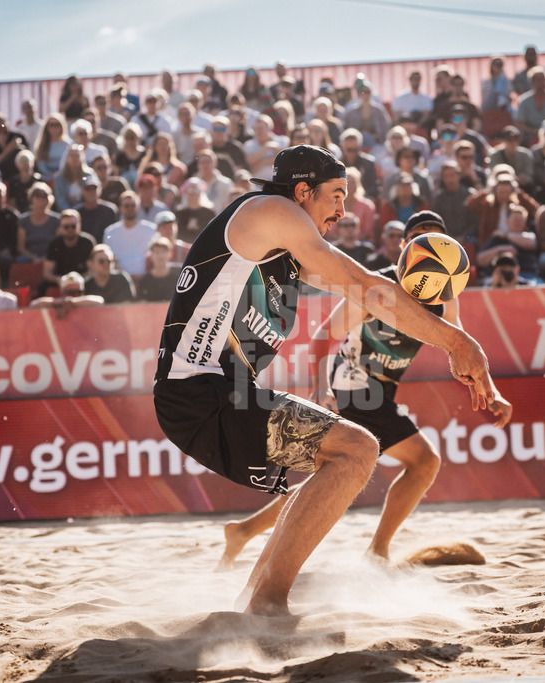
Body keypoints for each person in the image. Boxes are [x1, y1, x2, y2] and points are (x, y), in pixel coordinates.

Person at [154, 147, 506, 615]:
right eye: (337, 195)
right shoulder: (271, 211)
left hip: (222, 394)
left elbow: (378, 298)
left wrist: (456, 342)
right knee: (357, 450)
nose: (343, 209)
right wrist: (458, 343)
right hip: (200, 389)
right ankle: (269, 602)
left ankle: (255, 598)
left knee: (341, 461)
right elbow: (366, 286)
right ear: (302, 191)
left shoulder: (291, 253)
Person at [213, 207, 512, 572]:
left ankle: (244, 530)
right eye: (421, 240)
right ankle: (377, 553)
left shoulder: (445, 294)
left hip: (382, 393)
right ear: (404, 246)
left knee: (334, 480)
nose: (431, 254)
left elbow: (461, 345)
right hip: (354, 388)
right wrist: (321, 387)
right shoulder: (377, 290)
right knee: (423, 462)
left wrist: (490, 391)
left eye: (438, 240)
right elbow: (323, 335)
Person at [474, 203, 539, 282]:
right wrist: (499, 249)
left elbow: (531, 243)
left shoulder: (528, 236)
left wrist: (506, 235)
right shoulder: (497, 239)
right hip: (497, 278)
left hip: (527, 276)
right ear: (507, 221)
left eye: (520, 220)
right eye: (515, 220)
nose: (518, 223)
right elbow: (480, 260)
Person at [41, 209, 95, 295]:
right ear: (60, 228)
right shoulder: (54, 244)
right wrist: (58, 279)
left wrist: (79, 280)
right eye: (66, 227)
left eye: (73, 226)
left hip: (84, 280)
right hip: (61, 280)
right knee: (42, 286)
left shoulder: (88, 243)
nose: (70, 229)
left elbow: (93, 269)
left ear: (79, 226)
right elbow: (47, 273)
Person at [104, 190, 157, 277]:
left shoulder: (151, 229)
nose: (130, 208)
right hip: (119, 279)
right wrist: (125, 277)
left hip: (146, 278)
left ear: (138, 207)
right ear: (120, 208)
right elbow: (109, 258)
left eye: (133, 205)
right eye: (126, 206)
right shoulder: (110, 232)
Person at [431, 161, 478, 242]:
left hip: (467, 237)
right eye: (446, 176)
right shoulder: (438, 199)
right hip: (445, 239)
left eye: (452, 175)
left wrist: (463, 236)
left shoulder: (470, 195)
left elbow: (475, 222)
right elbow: (436, 223)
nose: (449, 179)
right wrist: (449, 237)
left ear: (458, 175)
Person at [30, 271, 104, 319]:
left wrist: (71, 301)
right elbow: (33, 305)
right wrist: (57, 302)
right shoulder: (58, 305)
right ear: (62, 292)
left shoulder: (88, 304)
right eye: (70, 292)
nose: (75, 295)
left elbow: (100, 301)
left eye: (78, 292)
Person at [343, 75, 392, 143]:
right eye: (363, 92)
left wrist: (374, 136)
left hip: (377, 144)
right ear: (359, 93)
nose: (366, 94)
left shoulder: (379, 110)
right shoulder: (351, 112)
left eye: (368, 92)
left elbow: (386, 128)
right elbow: (347, 129)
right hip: (356, 145)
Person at [18, 182, 61, 260]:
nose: (41, 199)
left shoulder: (56, 220)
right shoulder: (24, 220)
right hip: (29, 258)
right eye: (37, 195)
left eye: (44, 196)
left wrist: (46, 258)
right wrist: (34, 258)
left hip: (51, 258)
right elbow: (21, 248)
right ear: (31, 198)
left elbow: (59, 245)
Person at [338, 128, 380, 200]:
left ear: (359, 147)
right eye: (349, 150)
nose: (352, 153)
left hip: (363, 201)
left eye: (355, 150)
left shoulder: (369, 163)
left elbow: (373, 188)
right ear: (343, 147)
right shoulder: (337, 164)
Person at [74, 175, 118, 244]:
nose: (91, 192)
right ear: (82, 191)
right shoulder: (76, 213)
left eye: (94, 188)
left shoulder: (110, 211)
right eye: (88, 189)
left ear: (100, 189)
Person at [136, 237, 181, 302]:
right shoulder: (144, 280)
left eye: (163, 252)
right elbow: (142, 304)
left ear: (170, 254)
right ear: (151, 256)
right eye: (157, 252)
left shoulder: (179, 273)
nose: (160, 255)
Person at [489, 126, 534, 190]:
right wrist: (514, 179)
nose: (512, 142)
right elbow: (493, 176)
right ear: (503, 140)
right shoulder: (495, 155)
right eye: (509, 139)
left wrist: (524, 179)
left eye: (515, 139)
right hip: (501, 188)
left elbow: (529, 176)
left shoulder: (526, 154)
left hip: (522, 187)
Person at [0, 115, 27, 183]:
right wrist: (7, 148)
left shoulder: (17, 136)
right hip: (5, 172)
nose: (1, 130)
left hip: (19, 169)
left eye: (2, 125)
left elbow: (26, 155)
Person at [53, 144, 93, 211]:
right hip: (67, 214)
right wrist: (71, 212)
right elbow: (60, 200)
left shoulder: (88, 175)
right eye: (72, 156)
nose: (74, 158)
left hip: (86, 212)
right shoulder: (59, 177)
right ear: (67, 158)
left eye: (77, 156)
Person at [175, 177, 216, 243]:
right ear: (186, 193)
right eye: (190, 191)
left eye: (196, 190)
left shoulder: (209, 213)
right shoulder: (179, 213)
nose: (193, 194)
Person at [33, 113, 71, 179]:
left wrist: (58, 174)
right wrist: (49, 174)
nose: (54, 127)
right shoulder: (42, 145)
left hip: (65, 178)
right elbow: (41, 164)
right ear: (46, 128)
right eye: (51, 125)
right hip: (46, 178)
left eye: (57, 124)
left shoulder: (68, 144)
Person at [7, 149, 43, 215]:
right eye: (22, 161)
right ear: (17, 164)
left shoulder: (38, 180)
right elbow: (12, 202)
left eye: (27, 160)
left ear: (33, 163)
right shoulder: (14, 182)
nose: (25, 163)